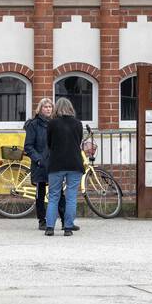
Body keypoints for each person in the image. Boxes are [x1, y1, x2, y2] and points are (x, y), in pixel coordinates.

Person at [45, 97, 85, 237]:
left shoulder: (52, 123)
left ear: (56, 108)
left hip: (56, 163)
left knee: (54, 196)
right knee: (71, 196)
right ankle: (68, 227)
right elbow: (79, 141)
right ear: (71, 108)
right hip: (74, 163)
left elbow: (49, 143)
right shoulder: (77, 123)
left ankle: (49, 227)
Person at [24, 98, 53, 231]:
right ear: (40, 109)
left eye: (50, 107)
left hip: (53, 163)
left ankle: (64, 219)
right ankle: (42, 220)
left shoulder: (54, 124)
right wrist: (39, 159)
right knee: (40, 193)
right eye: (45, 107)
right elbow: (28, 146)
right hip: (40, 164)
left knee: (57, 192)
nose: (48, 109)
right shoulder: (33, 124)